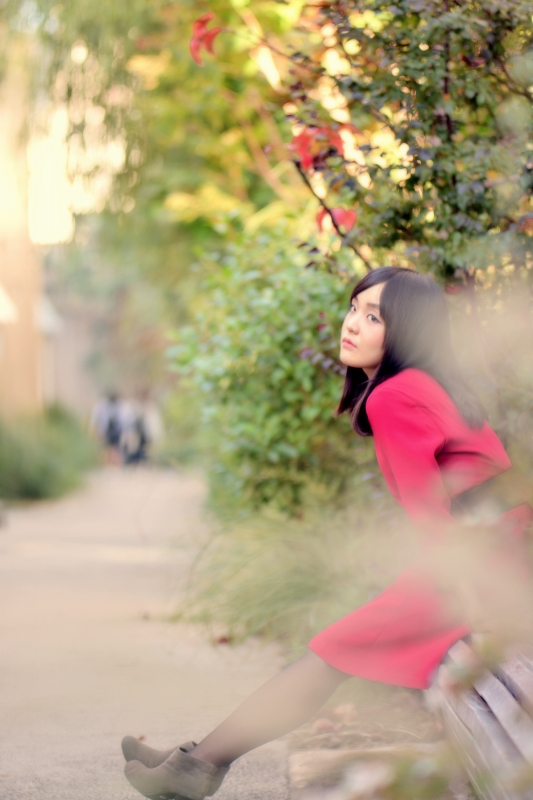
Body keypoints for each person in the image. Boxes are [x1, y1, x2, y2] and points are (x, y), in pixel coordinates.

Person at [121, 267, 533, 800]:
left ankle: (197, 765)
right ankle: (196, 758)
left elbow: (430, 519)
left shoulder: (394, 396)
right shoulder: (425, 385)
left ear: (407, 329)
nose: (352, 324)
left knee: (327, 655)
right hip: (497, 552)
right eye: (354, 308)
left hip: (481, 565)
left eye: (374, 317)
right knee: (329, 653)